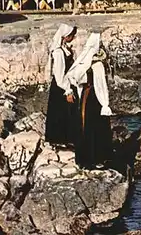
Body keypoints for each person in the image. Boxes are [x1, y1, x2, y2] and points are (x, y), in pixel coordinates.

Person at [66, 33, 114, 169]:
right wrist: (105, 103)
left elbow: (73, 77)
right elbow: (101, 86)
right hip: (95, 98)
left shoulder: (85, 61)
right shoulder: (97, 65)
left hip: (86, 97)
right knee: (97, 127)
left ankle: (85, 158)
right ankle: (97, 157)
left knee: (86, 125)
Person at [45, 24, 78, 149]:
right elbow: (59, 75)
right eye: (71, 35)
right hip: (61, 87)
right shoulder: (58, 52)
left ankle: (66, 138)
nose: (73, 37)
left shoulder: (64, 48)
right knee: (61, 113)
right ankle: (59, 139)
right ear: (65, 36)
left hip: (65, 84)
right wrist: (68, 90)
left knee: (65, 113)